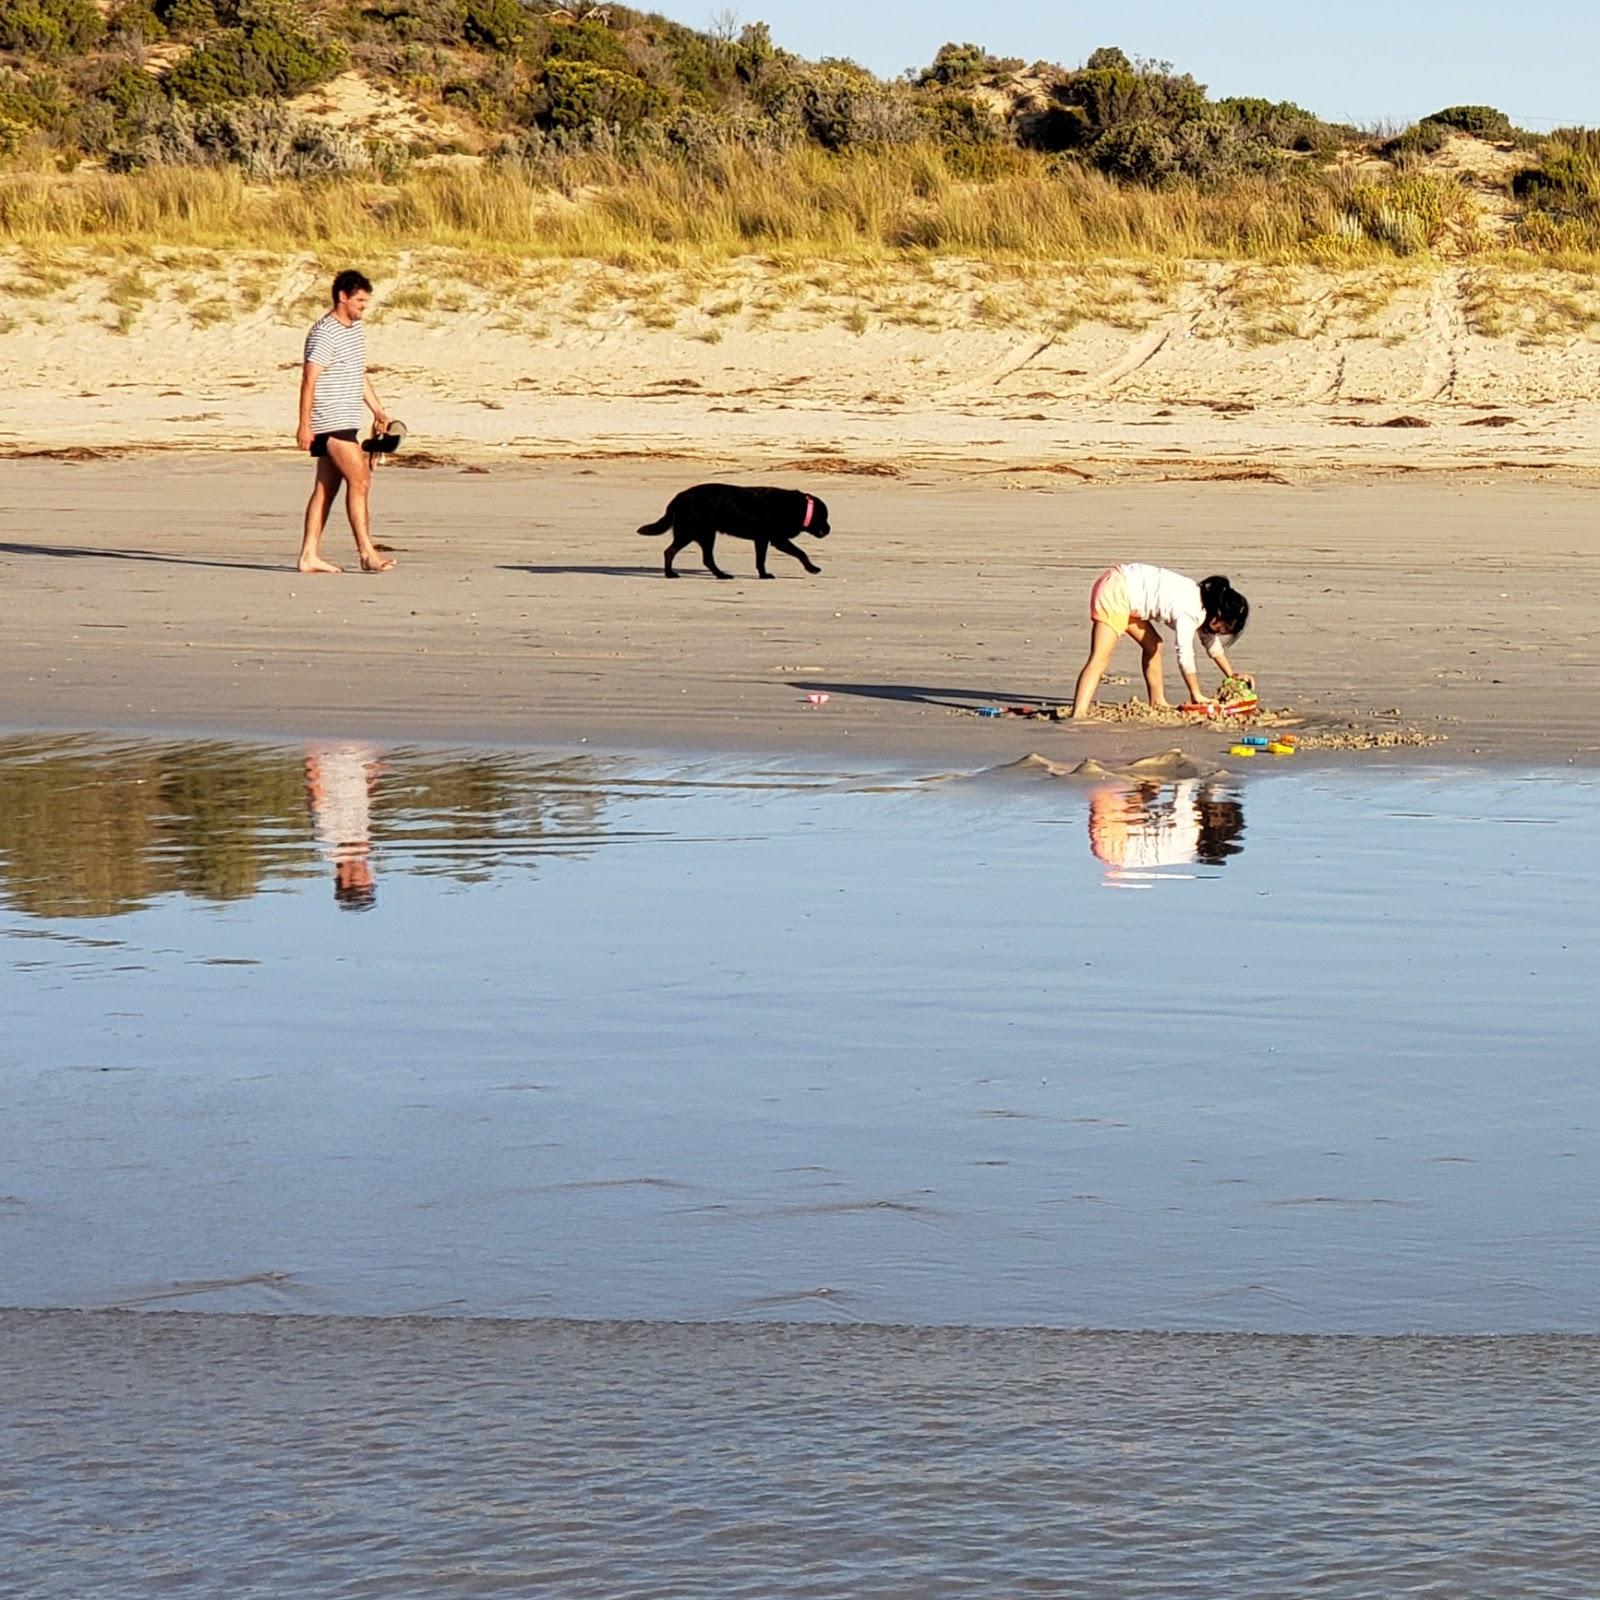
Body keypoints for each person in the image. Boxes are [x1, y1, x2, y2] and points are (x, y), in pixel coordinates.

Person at [295, 269, 396, 575]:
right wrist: (304, 425)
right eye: (360, 301)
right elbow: (309, 379)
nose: (364, 307)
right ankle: (367, 553)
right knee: (361, 479)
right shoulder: (325, 332)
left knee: (326, 489)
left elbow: (357, 373)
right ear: (343, 297)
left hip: (347, 417)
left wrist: (378, 409)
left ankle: (309, 555)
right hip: (330, 419)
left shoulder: (353, 330)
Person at [1070, 564, 1251, 718]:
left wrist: (1231, 675)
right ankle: (1079, 713)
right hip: (1116, 591)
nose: (1219, 633)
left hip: (1123, 590)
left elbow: (1211, 644)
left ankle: (1158, 702)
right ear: (1217, 616)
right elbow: (1185, 654)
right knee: (1100, 658)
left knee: (1154, 645)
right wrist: (1196, 694)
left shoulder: (1202, 605)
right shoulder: (1190, 611)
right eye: (1223, 628)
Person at [305, 743, 382, 911]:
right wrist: (374, 771)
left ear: (343, 879)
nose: (364, 872)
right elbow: (366, 806)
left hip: (333, 766)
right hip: (358, 768)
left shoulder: (327, 844)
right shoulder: (367, 851)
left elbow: (317, 798)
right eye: (366, 878)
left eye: (356, 879)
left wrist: (312, 762)